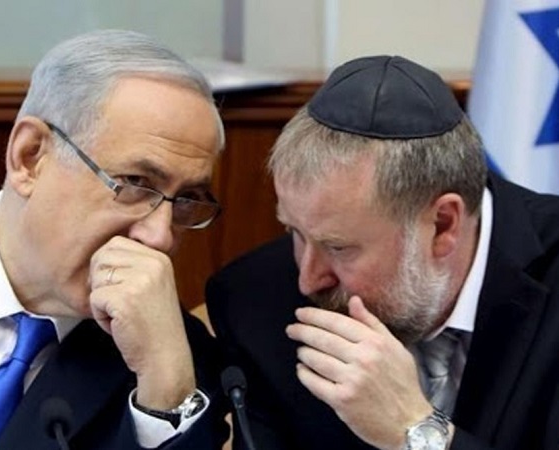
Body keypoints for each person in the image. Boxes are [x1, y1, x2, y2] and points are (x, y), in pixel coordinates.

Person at [0, 29, 229, 449]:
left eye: (187, 200)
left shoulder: (176, 362)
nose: (158, 237)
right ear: (30, 157)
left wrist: (165, 389)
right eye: (135, 183)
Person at [206, 55, 559, 450]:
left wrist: (413, 429)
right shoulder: (254, 302)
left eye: (338, 247)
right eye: (295, 232)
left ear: (443, 225)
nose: (308, 279)